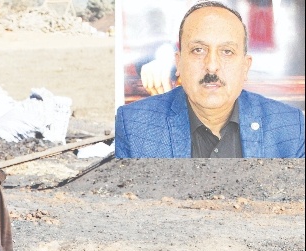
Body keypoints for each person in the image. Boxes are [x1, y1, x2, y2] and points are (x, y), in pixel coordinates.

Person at [115, 1, 305, 158]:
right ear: (178, 63)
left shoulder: (290, 127)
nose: (212, 65)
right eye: (198, 50)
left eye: (227, 51)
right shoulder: (134, 126)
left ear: (245, 67)